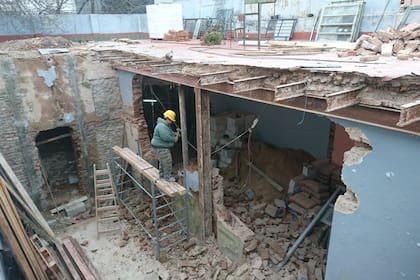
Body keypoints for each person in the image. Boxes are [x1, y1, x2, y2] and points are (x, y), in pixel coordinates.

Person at [151, 109, 180, 182]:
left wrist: (175, 133)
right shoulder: (162, 126)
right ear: (167, 118)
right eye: (171, 120)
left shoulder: (164, 125)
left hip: (159, 147)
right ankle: (167, 177)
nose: (171, 122)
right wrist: (175, 138)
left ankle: (162, 175)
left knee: (162, 162)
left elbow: (169, 132)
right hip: (161, 148)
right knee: (167, 161)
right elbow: (166, 137)